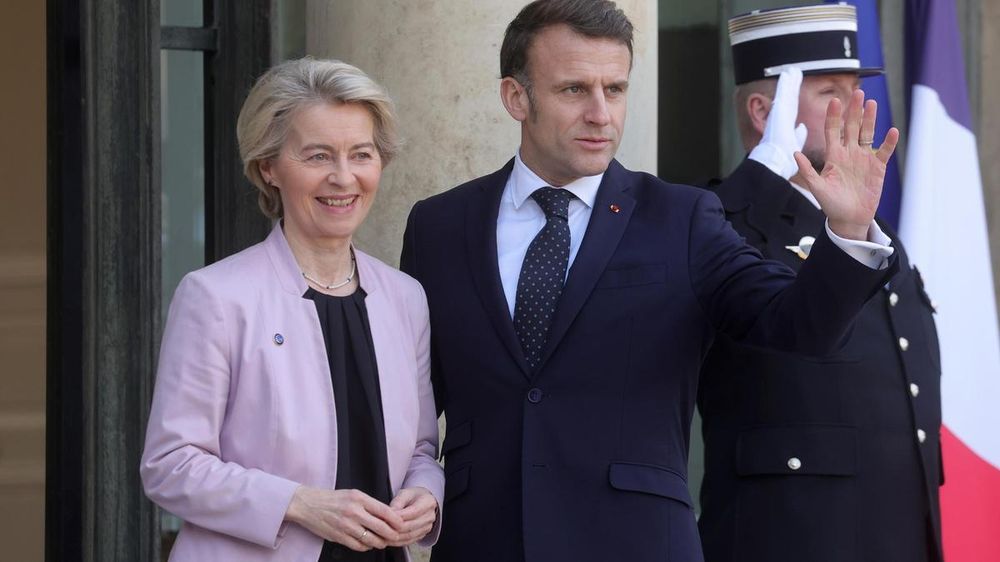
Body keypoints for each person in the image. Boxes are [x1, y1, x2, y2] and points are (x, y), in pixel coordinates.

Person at [400, 1, 899, 560]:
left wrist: (848, 230)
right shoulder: (439, 226)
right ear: (516, 97)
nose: (600, 114)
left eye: (614, 90)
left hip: (635, 542)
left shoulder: (682, 218)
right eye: (573, 90)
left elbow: (796, 327)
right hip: (482, 543)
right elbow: (404, 403)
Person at [141, 58, 444, 562]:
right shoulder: (216, 296)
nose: (343, 178)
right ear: (268, 166)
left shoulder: (405, 297)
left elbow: (419, 449)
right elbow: (169, 465)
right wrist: (297, 504)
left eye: (361, 154)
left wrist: (427, 492)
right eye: (318, 156)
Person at [697, 5, 943, 562]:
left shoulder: (874, 232)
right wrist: (764, 174)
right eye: (831, 90)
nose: (855, 107)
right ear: (766, 112)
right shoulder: (718, 220)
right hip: (787, 540)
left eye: (857, 87)